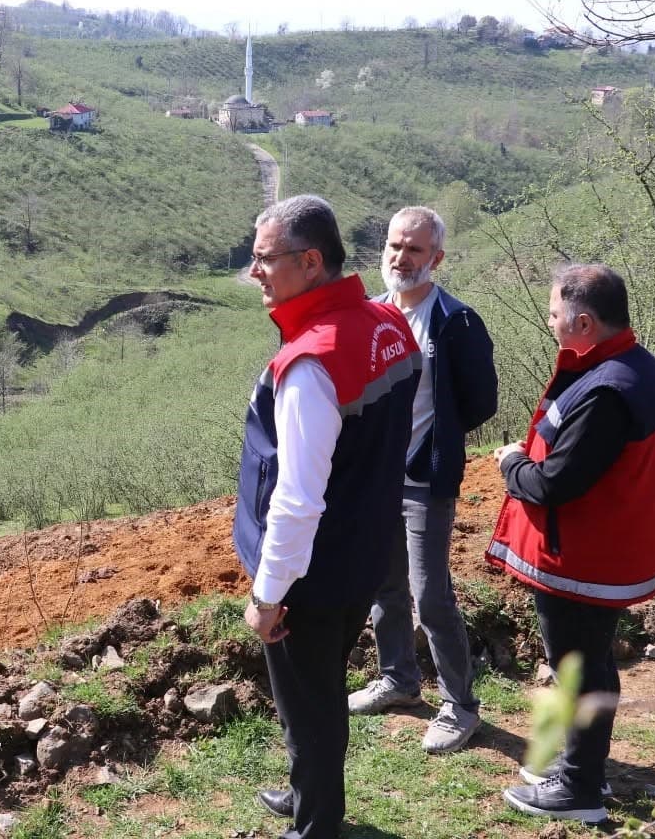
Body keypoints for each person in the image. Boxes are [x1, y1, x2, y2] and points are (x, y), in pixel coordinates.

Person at [234, 194, 420, 839]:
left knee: (309, 704)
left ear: (310, 262)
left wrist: (269, 591)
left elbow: (297, 496)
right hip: (367, 548)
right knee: (319, 690)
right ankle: (304, 792)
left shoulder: (311, 362)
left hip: (312, 572)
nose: (254, 271)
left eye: (264, 259)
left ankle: (315, 826)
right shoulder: (389, 326)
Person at [488, 264, 655, 824]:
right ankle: (579, 767)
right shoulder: (637, 368)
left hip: (583, 561)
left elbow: (555, 484)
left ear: (584, 321)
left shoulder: (606, 391)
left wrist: (512, 464)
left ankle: (579, 790)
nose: (548, 322)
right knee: (589, 662)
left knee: (579, 668)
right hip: (606, 552)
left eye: (552, 312)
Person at [348, 207, 498, 754]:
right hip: (375, 475)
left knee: (431, 595)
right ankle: (399, 680)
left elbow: (481, 400)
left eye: (414, 249)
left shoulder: (455, 321)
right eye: (394, 246)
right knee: (384, 584)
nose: (400, 258)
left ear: (436, 258)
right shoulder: (369, 314)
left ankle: (460, 706)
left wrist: (438, 436)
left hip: (423, 478)